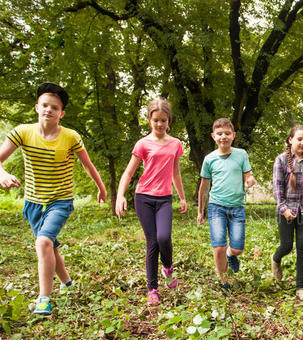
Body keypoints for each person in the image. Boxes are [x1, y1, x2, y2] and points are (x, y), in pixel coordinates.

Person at [0, 82, 107, 315]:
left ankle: (44, 299)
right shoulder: (22, 132)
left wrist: (101, 187)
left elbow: (87, 164)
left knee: (43, 242)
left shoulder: (70, 137)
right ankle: (68, 284)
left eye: (55, 107)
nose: (49, 110)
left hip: (60, 201)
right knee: (49, 246)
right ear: (37, 107)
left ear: (62, 113)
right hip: (33, 203)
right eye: (45, 105)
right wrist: (3, 174)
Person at [115, 98, 187, 306]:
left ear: (168, 121)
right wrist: (120, 196)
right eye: (156, 120)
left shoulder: (175, 144)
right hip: (143, 197)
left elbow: (175, 173)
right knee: (152, 242)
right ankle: (152, 289)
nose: (159, 124)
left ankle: (168, 268)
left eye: (163, 120)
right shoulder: (143, 144)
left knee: (164, 237)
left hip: (164, 198)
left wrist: (181, 197)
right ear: (149, 120)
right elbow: (129, 173)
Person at [197, 118, 256, 292]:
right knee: (219, 246)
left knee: (237, 248)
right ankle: (225, 281)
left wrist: (250, 180)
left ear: (233, 136)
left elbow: (248, 176)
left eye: (227, 133)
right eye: (220, 134)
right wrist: (200, 211)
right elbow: (204, 187)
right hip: (216, 207)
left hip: (237, 207)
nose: (224, 136)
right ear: (213, 136)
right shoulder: (209, 159)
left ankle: (231, 255)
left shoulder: (241, 154)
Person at [271, 124, 303, 301]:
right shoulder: (281, 160)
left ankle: (300, 287)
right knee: (287, 246)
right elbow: (277, 188)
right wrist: (283, 209)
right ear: (290, 140)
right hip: (286, 211)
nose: (302, 142)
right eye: (299, 139)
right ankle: (276, 259)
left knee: (302, 247)